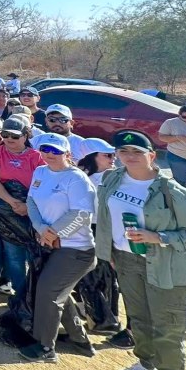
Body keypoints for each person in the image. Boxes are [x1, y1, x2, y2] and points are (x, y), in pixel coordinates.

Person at [95, 131, 186, 370]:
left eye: (137, 152)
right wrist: (110, 252)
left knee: (168, 323)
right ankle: (147, 364)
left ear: (151, 155)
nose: (130, 156)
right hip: (126, 260)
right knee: (139, 317)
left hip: (166, 265)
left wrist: (159, 237)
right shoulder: (113, 178)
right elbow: (106, 217)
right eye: (124, 152)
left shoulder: (170, 190)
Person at [19, 133, 97, 362]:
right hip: (48, 243)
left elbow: (82, 214)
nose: (49, 154)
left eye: (55, 151)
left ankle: (45, 347)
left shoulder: (77, 178)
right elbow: (31, 201)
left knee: (48, 291)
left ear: (67, 154)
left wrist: (53, 233)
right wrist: (42, 229)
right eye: (45, 150)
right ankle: (79, 339)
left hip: (76, 250)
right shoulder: (40, 171)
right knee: (57, 291)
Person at [0, 117, 46, 299]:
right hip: (6, 211)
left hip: (34, 210)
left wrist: (28, 207)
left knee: (35, 256)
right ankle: (22, 298)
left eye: (15, 136)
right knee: (13, 254)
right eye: (5, 135)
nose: (9, 139)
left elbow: (44, 185)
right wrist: (12, 202)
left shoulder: (37, 157)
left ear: (26, 136)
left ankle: (37, 298)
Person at [75, 138, 126, 340]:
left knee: (105, 275)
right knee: (86, 274)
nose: (113, 159)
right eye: (107, 155)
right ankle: (91, 313)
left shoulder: (114, 177)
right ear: (91, 156)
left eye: (113, 155)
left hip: (103, 230)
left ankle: (107, 319)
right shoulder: (79, 176)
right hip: (82, 228)